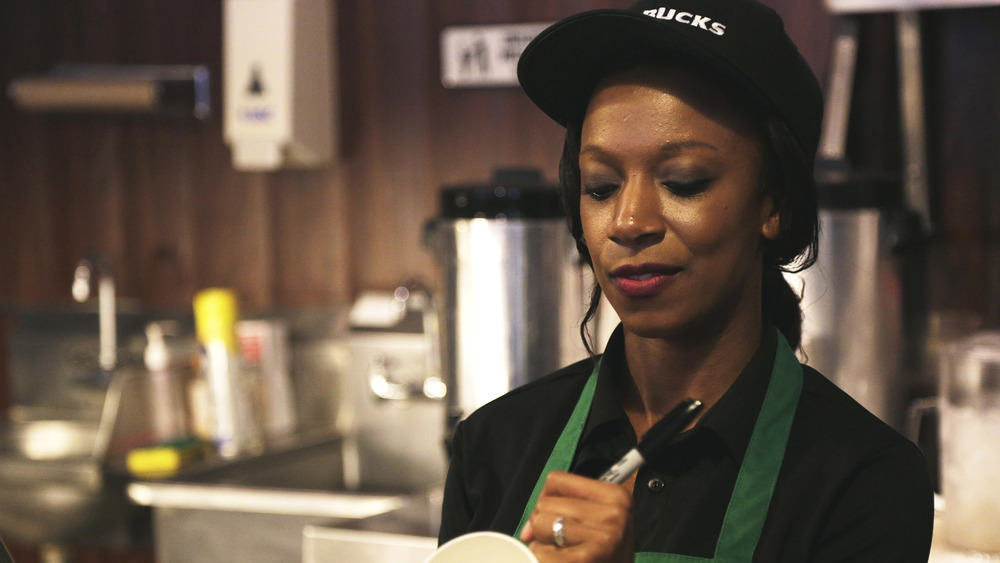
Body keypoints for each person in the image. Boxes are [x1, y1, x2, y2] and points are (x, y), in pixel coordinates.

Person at [437, 0, 935, 561]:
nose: (628, 223)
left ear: (774, 204)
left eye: (684, 182)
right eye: (601, 187)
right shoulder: (495, 445)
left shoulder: (863, 478)